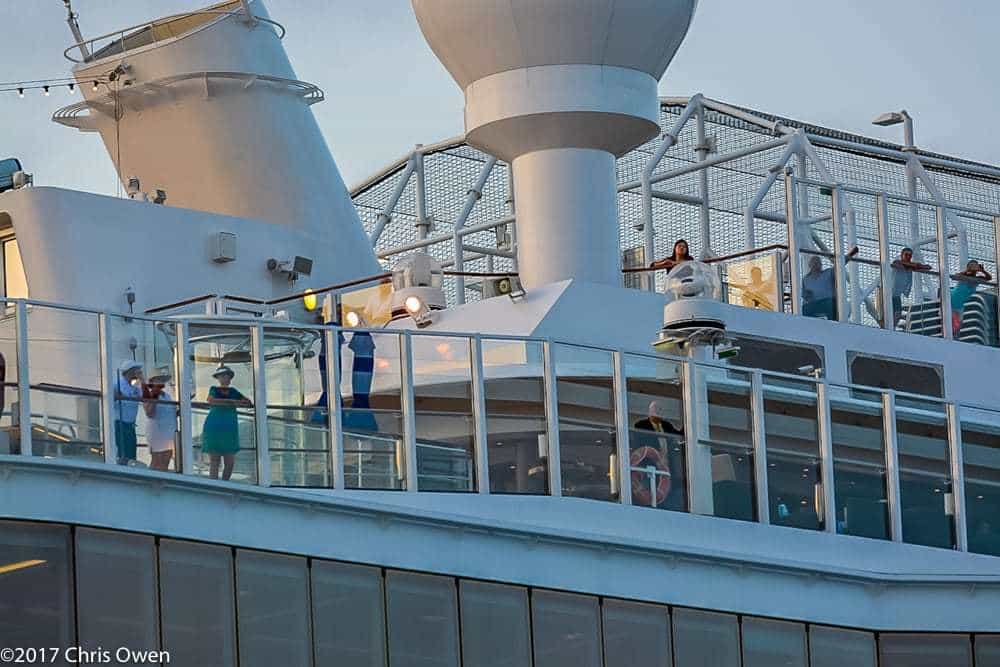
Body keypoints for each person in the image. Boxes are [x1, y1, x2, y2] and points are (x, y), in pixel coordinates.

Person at [202, 365, 252, 481]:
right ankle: (214, 486)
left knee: (230, 461)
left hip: (229, 428)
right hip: (215, 426)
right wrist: (232, 402)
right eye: (223, 376)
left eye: (227, 376)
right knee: (215, 460)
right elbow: (211, 400)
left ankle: (225, 484)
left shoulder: (234, 391)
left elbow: (248, 403)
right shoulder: (214, 389)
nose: (226, 378)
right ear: (218, 378)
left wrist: (230, 402)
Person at [801, 247, 859, 320]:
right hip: (816, 303)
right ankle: (814, 323)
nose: (817, 264)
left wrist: (851, 254)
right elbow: (804, 295)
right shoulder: (806, 279)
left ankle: (833, 324)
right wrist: (807, 295)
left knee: (830, 304)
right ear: (810, 265)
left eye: (818, 263)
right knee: (804, 309)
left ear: (821, 265)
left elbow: (840, 265)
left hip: (829, 302)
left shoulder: (828, 273)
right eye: (814, 263)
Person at [143, 369, 176, 472]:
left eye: (162, 380)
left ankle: (162, 481)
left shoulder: (167, 396)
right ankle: (152, 482)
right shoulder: (149, 394)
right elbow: (149, 412)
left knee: (166, 458)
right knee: (157, 459)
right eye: (158, 380)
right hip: (157, 429)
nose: (161, 382)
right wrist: (155, 396)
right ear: (152, 381)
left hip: (168, 431)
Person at [889, 247, 931, 328]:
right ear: (901, 255)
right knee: (888, 312)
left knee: (898, 313)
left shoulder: (910, 267)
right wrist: (919, 265)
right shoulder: (897, 262)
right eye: (906, 255)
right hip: (888, 293)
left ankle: (892, 328)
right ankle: (888, 327)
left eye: (910, 255)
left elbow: (928, 267)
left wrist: (918, 266)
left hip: (896, 295)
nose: (908, 257)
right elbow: (898, 264)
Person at [950, 260, 993, 335]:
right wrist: (967, 271)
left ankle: (954, 339)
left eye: (975, 266)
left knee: (958, 326)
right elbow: (955, 276)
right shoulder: (963, 276)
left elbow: (989, 278)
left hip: (959, 305)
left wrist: (982, 271)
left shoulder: (977, 279)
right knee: (950, 323)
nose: (974, 267)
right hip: (950, 301)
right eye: (972, 266)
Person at [115, 360, 144, 465]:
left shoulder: (135, 388)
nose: (138, 372)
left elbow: (147, 396)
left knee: (131, 456)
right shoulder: (117, 384)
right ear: (129, 372)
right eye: (136, 371)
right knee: (123, 455)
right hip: (121, 424)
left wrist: (142, 379)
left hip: (130, 426)